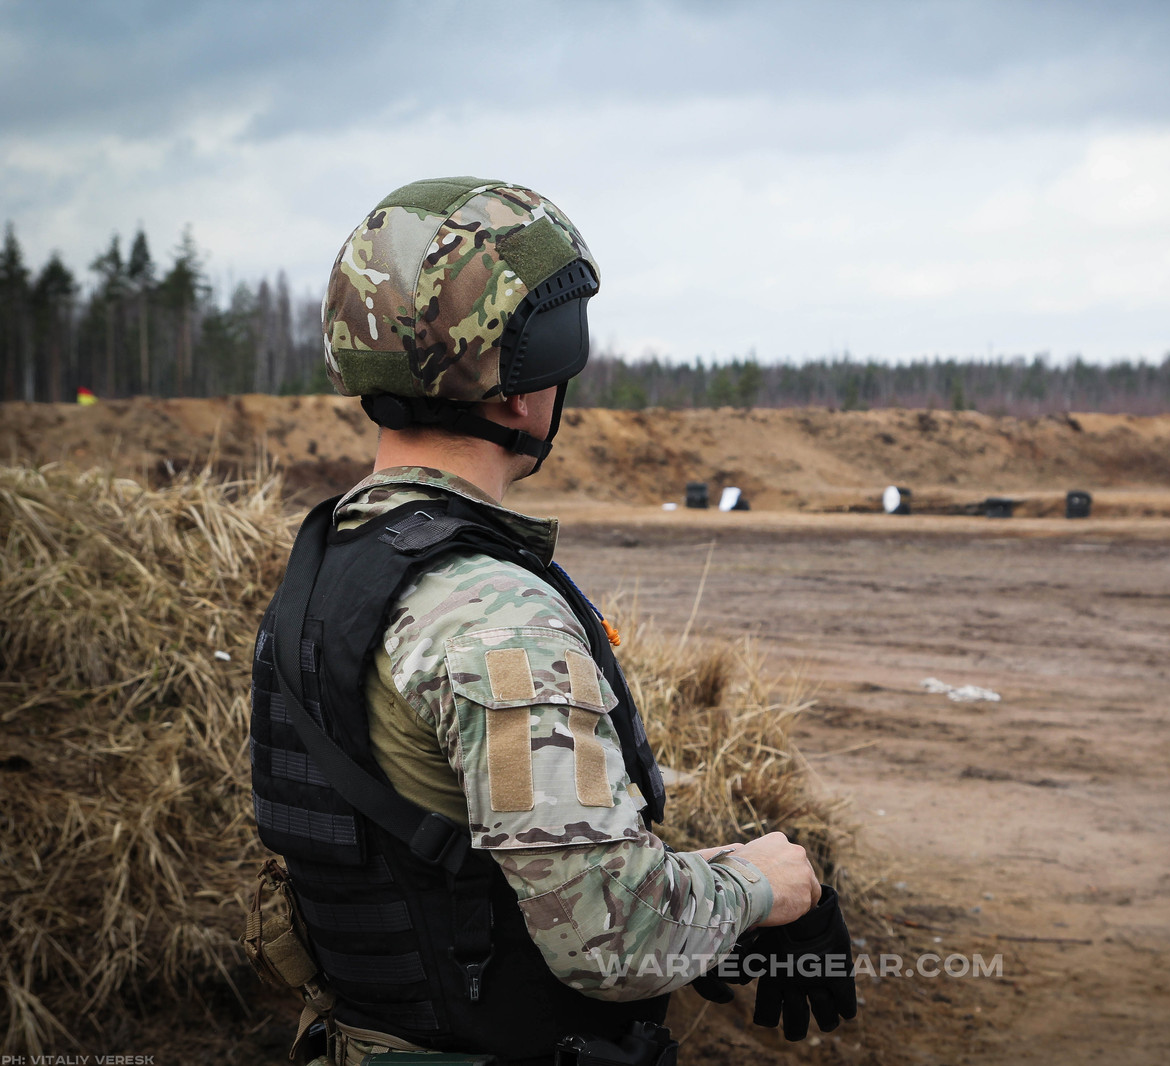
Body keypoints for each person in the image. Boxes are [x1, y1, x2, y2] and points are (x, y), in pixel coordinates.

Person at [246, 177, 850, 1066]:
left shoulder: (328, 564)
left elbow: (469, 863)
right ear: (524, 393)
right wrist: (763, 889)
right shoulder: (493, 610)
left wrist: (714, 885)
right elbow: (610, 933)